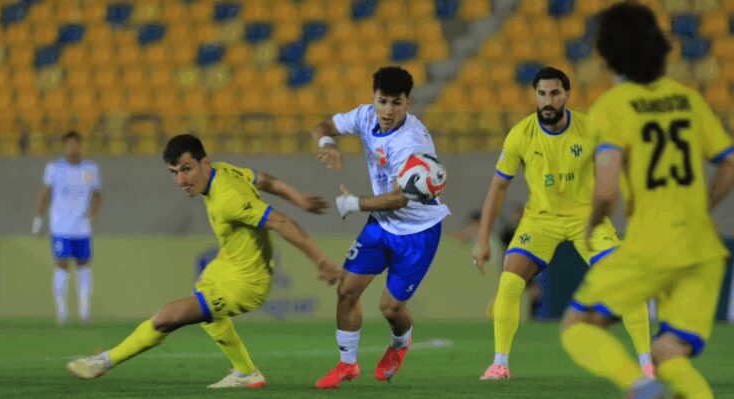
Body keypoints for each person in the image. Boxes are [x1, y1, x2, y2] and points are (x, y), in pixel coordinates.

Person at [66, 134, 343, 388]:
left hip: (246, 283)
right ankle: (246, 372)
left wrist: (320, 260)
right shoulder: (222, 170)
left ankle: (102, 362)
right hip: (226, 266)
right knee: (204, 311)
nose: (181, 180)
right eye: (174, 173)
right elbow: (263, 179)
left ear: (204, 163)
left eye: (186, 169)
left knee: (167, 317)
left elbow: (280, 221)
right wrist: (299, 198)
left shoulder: (228, 198)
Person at [559, 3, 734, 398]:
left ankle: (638, 386)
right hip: (703, 247)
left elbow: (606, 190)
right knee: (669, 350)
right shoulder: (687, 99)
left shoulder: (612, 108)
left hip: (651, 243)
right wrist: (701, 206)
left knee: (579, 325)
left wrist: (592, 223)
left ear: (606, 56)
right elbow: (729, 165)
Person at [472, 67, 653, 380]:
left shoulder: (591, 128)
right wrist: (483, 238)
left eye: (554, 93)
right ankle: (500, 364)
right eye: (542, 93)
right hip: (540, 221)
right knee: (510, 281)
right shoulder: (521, 134)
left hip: (587, 220)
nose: (547, 100)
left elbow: (621, 165)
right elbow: (498, 187)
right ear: (535, 95)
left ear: (567, 95)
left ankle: (647, 364)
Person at [310, 66, 450, 389]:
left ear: (408, 103)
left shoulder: (411, 143)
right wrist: (328, 144)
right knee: (346, 290)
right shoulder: (364, 116)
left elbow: (399, 199)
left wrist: (354, 204)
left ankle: (400, 344)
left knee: (389, 307)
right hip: (381, 226)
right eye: (382, 101)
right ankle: (347, 364)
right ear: (373, 98)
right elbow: (323, 126)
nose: (387, 111)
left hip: (417, 231)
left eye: (395, 103)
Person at [33, 130, 102, 325]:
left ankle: (84, 312)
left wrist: (93, 215)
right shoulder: (54, 168)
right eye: (69, 144)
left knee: (83, 265)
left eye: (76, 144)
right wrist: (38, 220)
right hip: (61, 227)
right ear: (64, 146)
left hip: (82, 227)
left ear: (81, 145)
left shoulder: (91, 169)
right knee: (62, 265)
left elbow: (98, 194)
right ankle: (62, 313)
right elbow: (44, 194)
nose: (73, 147)